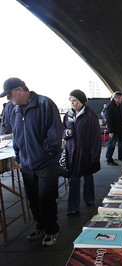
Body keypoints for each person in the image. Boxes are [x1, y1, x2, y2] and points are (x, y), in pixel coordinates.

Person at [0, 77, 63, 246]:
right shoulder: (13, 110)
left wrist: (46, 154)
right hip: (26, 164)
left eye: (10, 94)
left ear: (20, 90)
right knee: (33, 199)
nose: (9, 99)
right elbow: (16, 137)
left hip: (46, 163)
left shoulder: (45, 104)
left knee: (46, 198)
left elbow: (55, 134)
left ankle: (51, 230)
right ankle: (40, 226)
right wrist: (18, 157)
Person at [63, 90, 102, 217]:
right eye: (71, 101)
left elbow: (96, 137)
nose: (72, 103)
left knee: (87, 176)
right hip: (72, 152)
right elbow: (62, 130)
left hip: (86, 152)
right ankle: (73, 207)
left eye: (74, 101)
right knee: (74, 179)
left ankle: (89, 198)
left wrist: (95, 156)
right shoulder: (68, 115)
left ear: (81, 101)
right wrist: (67, 133)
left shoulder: (90, 115)